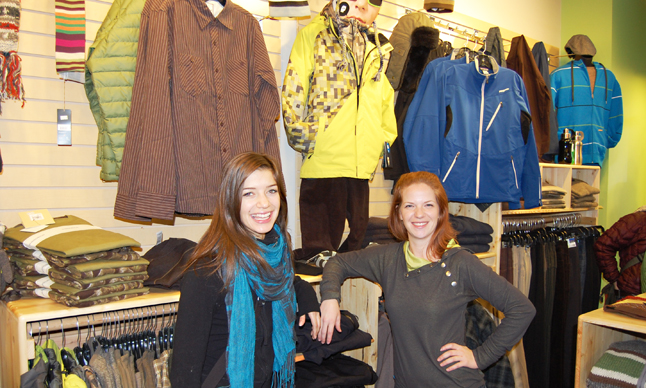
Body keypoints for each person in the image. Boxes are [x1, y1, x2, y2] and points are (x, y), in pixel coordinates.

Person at [318, 171, 535, 387]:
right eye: (410, 205)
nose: (419, 214)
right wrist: (330, 299)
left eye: (428, 205)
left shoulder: (459, 263)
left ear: (441, 211)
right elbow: (338, 263)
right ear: (399, 213)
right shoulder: (387, 258)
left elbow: (522, 309)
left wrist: (480, 357)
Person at [170, 152, 321, 388]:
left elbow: (289, 281)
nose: (264, 203)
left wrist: (309, 299)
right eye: (249, 193)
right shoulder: (207, 270)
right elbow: (183, 369)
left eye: (271, 191)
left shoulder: (276, 251)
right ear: (230, 200)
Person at [281, 0, 398, 262]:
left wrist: (382, 141)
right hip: (325, 161)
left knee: (355, 248)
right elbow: (294, 87)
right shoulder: (315, 34)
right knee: (318, 254)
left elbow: (384, 100)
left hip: (360, 164)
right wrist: (308, 137)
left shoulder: (376, 48)